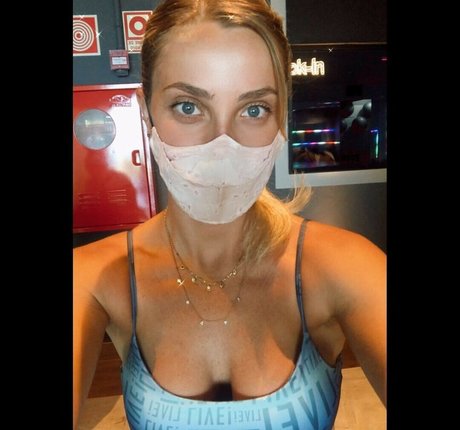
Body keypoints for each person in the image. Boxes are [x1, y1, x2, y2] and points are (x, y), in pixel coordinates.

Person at [73, 1, 386, 429]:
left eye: (254, 109)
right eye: (188, 107)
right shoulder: (93, 278)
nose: (222, 144)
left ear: (280, 118)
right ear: (147, 114)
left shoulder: (344, 266)